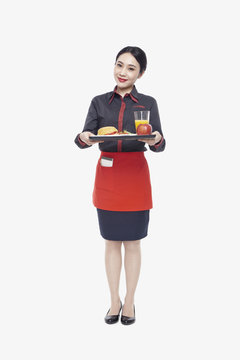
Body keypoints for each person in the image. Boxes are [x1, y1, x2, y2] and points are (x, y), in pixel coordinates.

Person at [74, 46, 166, 325]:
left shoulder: (148, 103)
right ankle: (113, 300)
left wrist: (157, 139)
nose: (122, 72)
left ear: (141, 74)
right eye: (119, 65)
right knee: (111, 241)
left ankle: (130, 301)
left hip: (136, 175)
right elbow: (83, 138)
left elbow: (160, 144)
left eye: (130, 68)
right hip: (108, 176)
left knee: (134, 243)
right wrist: (84, 137)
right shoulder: (99, 102)